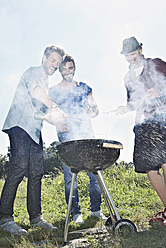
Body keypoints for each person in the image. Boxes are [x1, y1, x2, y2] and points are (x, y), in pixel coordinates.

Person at [0, 45, 67, 235]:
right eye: (53, 60)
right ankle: (5, 218)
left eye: (58, 63)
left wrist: (57, 123)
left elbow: (43, 112)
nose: (55, 65)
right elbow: (36, 93)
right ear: (44, 58)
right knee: (19, 167)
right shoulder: (34, 72)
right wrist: (54, 106)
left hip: (35, 130)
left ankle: (36, 218)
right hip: (20, 126)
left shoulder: (45, 83)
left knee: (36, 172)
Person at [117, 37, 166, 225]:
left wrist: (161, 91)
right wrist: (125, 108)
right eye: (127, 55)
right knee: (148, 167)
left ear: (140, 49)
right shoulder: (127, 78)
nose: (130, 58)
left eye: (133, 53)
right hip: (143, 124)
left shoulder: (156, 64)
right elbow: (133, 102)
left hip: (161, 119)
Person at [49, 55, 106, 225]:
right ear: (60, 70)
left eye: (71, 68)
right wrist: (56, 122)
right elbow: (50, 112)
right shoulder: (54, 91)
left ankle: (96, 210)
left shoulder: (84, 88)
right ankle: (75, 213)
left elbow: (95, 108)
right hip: (67, 136)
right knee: (70, 176)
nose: (68, 72)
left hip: (86, 133)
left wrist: (93, 110)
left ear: (75, 68)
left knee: (95, 172)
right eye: (65, 69)